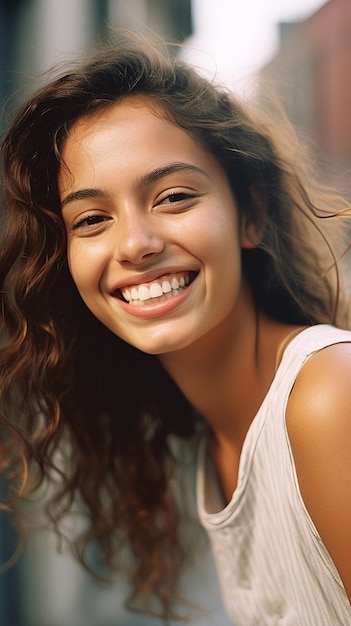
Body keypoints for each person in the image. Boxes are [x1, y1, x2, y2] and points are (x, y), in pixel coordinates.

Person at [1, 29, 351, 625]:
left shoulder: (327, 398)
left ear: (252, 215)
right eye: (91, 218)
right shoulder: (211, 439)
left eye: (173, 197)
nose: (135, 244)